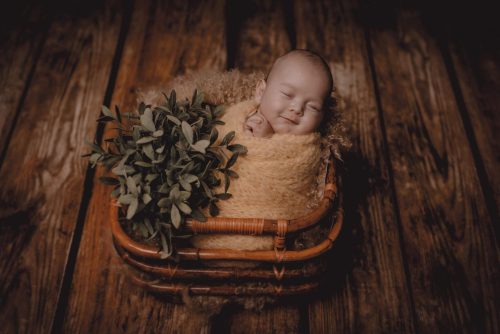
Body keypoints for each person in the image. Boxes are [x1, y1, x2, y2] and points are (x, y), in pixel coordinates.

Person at [244, 49, 333, 137]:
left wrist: (266, 139)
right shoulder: (239, 115)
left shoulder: (310, 146)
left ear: (322, 118)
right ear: (261, 92)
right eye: (287, 94)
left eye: (313, 107)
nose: (297, 109)